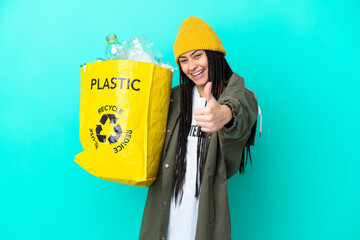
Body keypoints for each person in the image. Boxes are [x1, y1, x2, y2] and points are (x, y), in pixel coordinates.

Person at [139, 16, 258, 240]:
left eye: (197, 55)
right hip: (163, 218)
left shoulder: (238, 94)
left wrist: (225, 114)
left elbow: (242, 109)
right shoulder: (174, 99)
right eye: (183, 60)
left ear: (213, 55)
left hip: (201, 220)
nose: (191, 66)